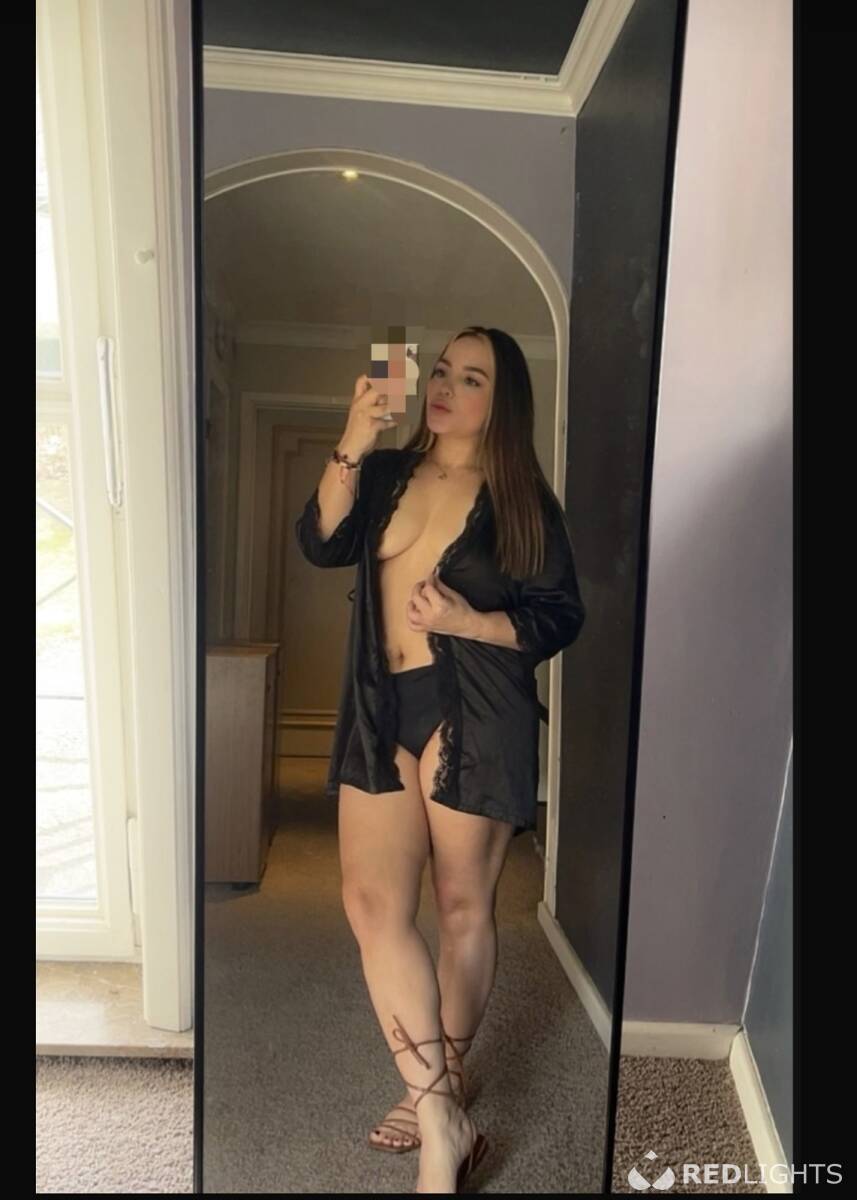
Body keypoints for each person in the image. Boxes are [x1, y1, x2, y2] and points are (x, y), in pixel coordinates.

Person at [294, 326, 585, 1193]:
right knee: (370, 903)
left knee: (461, 905)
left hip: (477, 706)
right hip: (379, 702)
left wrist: (468, 621)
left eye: (472, 378)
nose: (447, 388)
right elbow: (321, 540)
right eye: (443, 372)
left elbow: (558, 614)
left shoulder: (523, 501)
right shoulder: (385, 471)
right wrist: (356, 433)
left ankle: (439, 1097)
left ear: (503, 401)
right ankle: (440, 1112)